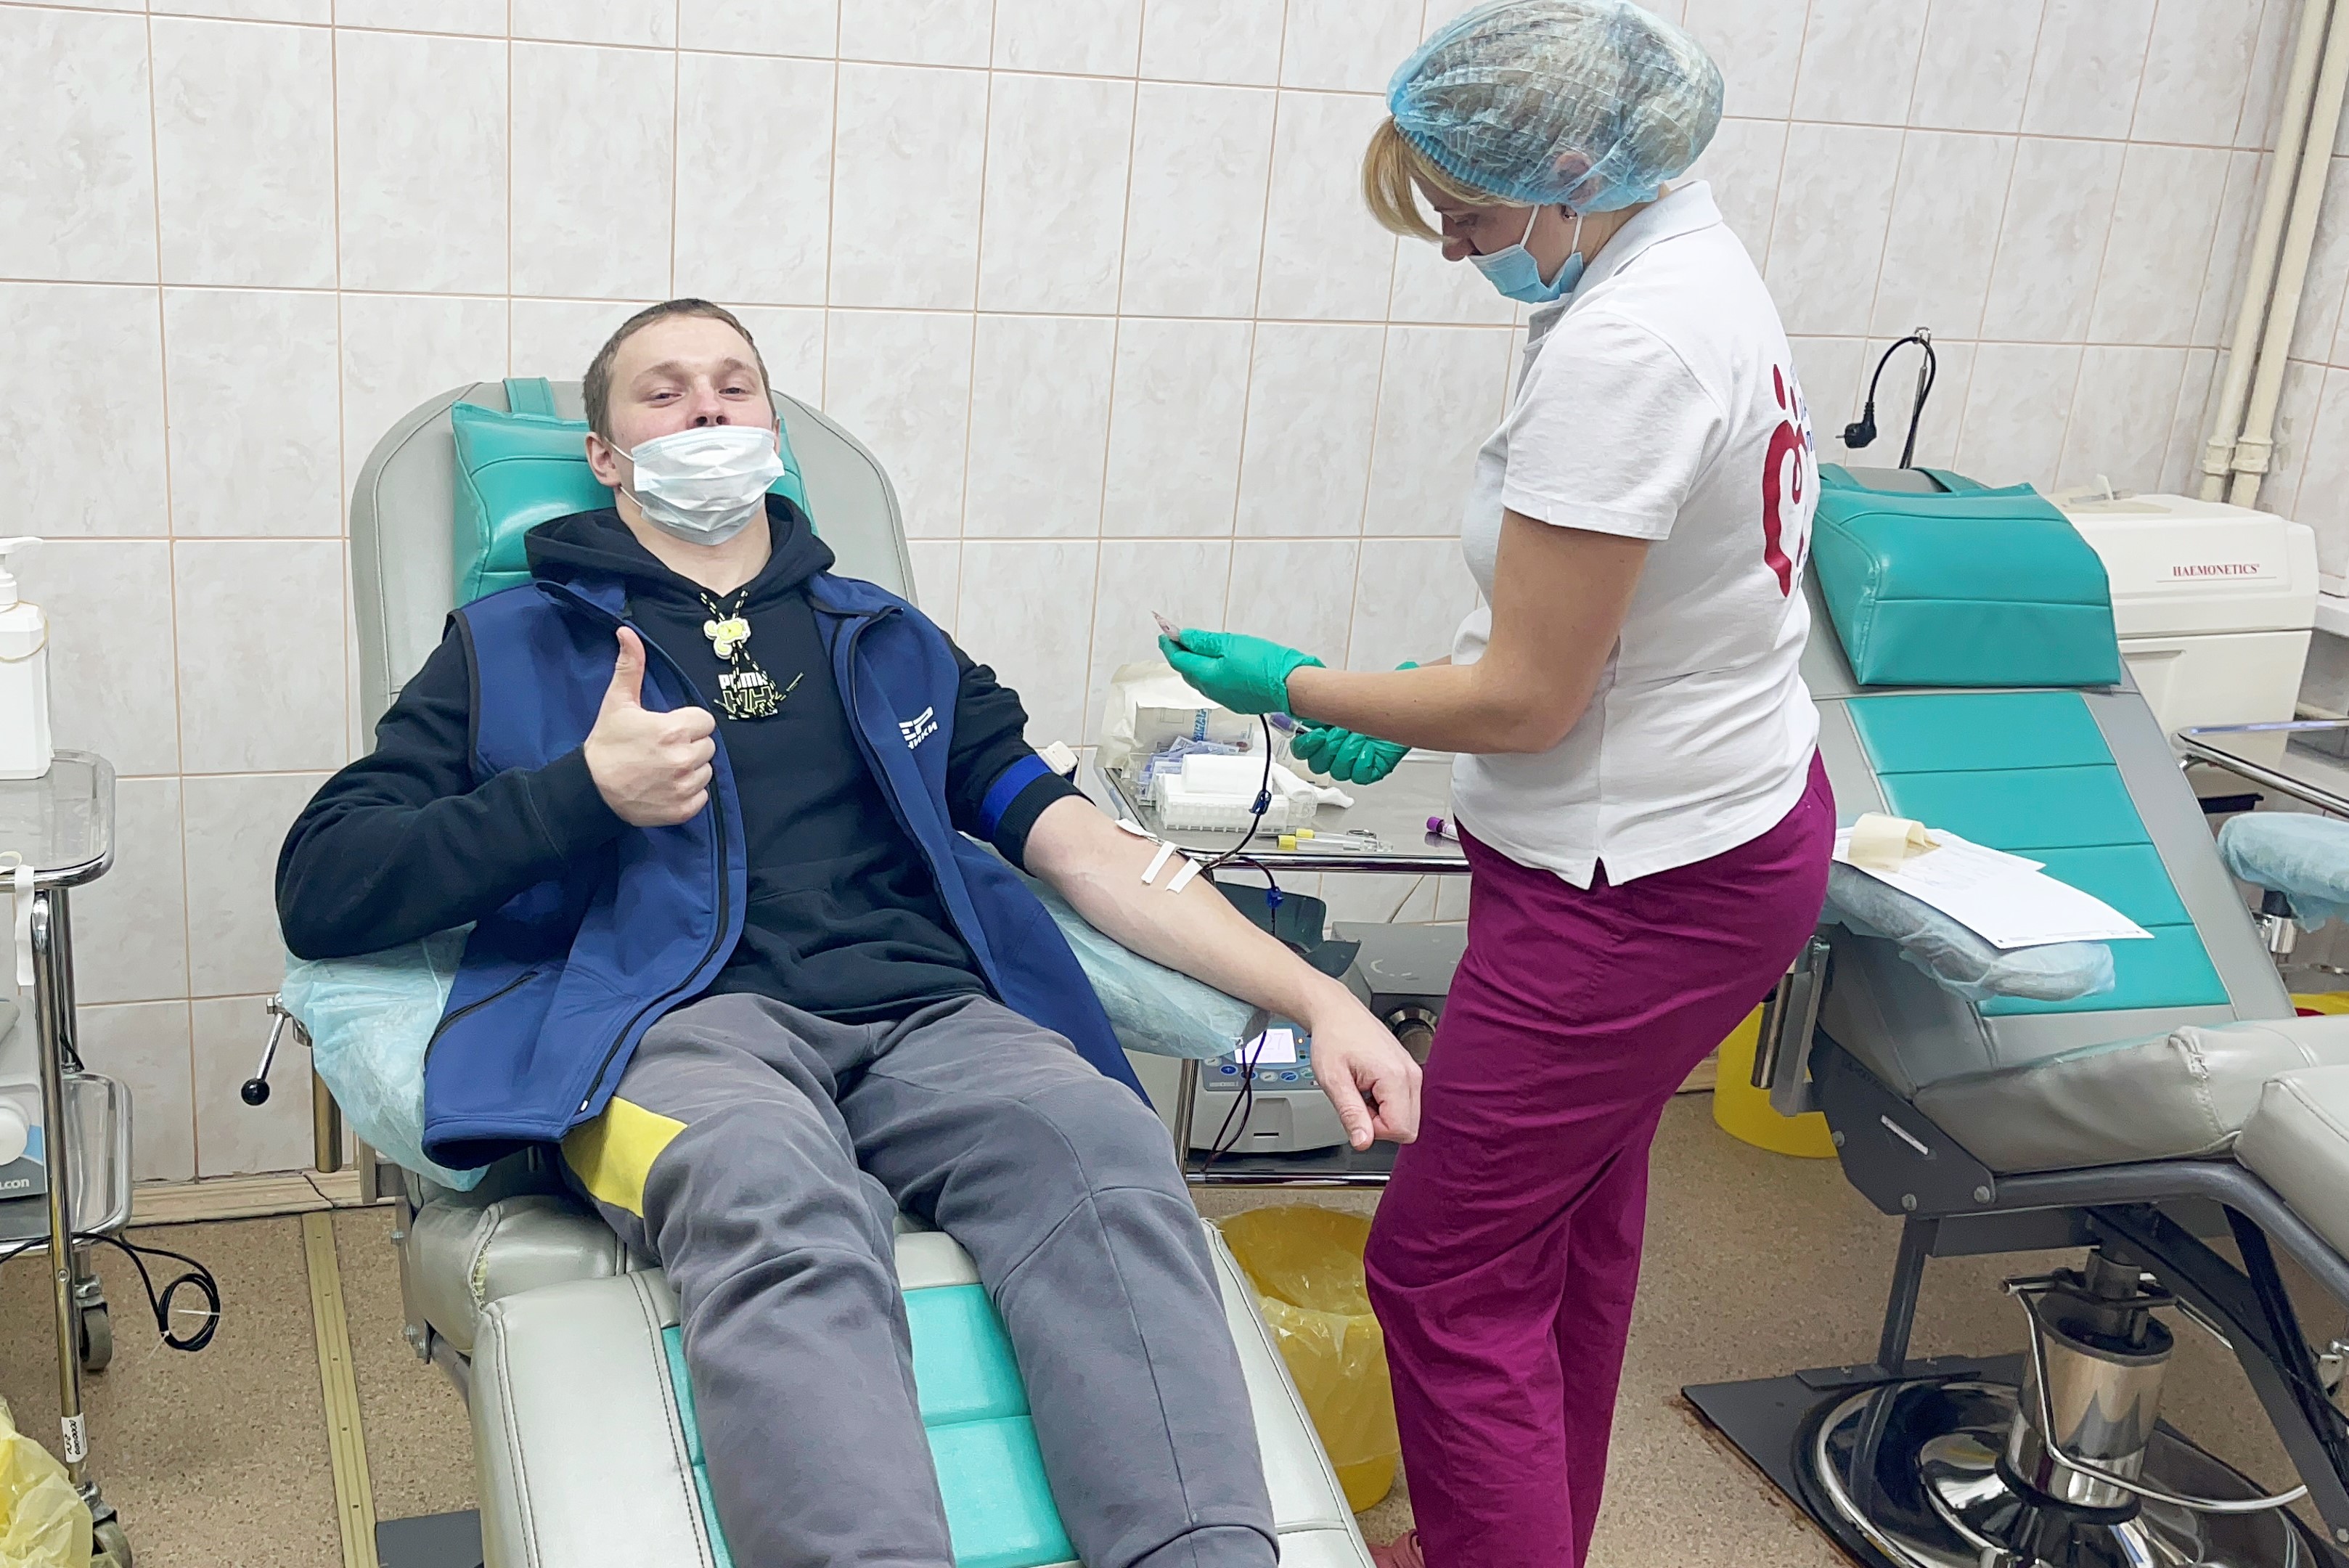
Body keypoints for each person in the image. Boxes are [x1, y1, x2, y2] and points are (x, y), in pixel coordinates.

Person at [276, 298, 1423, 1568]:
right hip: (664, 1040)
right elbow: (325, 883)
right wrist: (579, 795)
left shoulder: (887, 642)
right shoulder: (512, 647)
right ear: (605, 455)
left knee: (1103, 1144)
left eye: (734, 385)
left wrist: (1322, 1001)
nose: (707, 408)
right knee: (768, 1187)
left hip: (928, 1020)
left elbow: (1084, 847)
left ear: (772, 430)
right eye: (664, 391)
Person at [1157, 4, 1833, 1565]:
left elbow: (1531, 697)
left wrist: (1297, 685)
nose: (1456, 248)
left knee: (1444, 1270)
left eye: (1464, 212)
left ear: (1573, 171)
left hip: (1638, 889)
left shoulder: (1628, 344)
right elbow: (1602, 604)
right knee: (1566, 1233)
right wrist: (1425, 696)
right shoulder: (1679, 266)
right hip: (1712, 829)